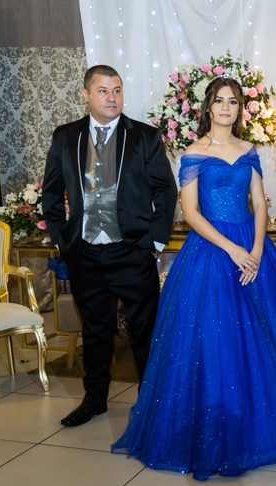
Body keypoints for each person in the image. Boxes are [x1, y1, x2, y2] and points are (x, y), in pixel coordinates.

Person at [112, 78, 276, 480]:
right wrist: (233, 250)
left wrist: (257, 250)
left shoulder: (249, 150)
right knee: (214, 338)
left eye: (233, 101)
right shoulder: (194, 152)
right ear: (208, 107)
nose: (226, 107)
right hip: (212, 250)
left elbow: (259, 204)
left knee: (268, 337)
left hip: (253, 248)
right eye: (219, 101)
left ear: (240, 108)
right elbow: (191, 213)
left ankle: (274, 425)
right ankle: (217, 425)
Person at [42, 65, 178, 427]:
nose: (112, 97)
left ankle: (151, 404)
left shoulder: (145, 136)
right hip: (85, 252)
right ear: (86, 94)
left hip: (132, 250)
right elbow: (51, 193)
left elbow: (166, 189)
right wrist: (62, 239)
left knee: (144, 331)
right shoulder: (66, 137)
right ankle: (94, 400)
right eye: (103, 91)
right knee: (95, 330)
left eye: (117, 90)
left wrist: (155, 240)